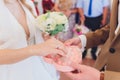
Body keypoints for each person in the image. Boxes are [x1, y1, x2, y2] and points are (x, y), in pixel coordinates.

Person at [0, 0, 66, 80]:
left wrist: (45, 37)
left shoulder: (28, 3)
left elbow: (35, 36)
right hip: (10, 73)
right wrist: (35, 49)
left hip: (37, 68)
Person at [64, 0, 120, 80]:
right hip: (101, 65)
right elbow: (114, 29)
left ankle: (93, 53)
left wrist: (102, 77)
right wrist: (83, 39)